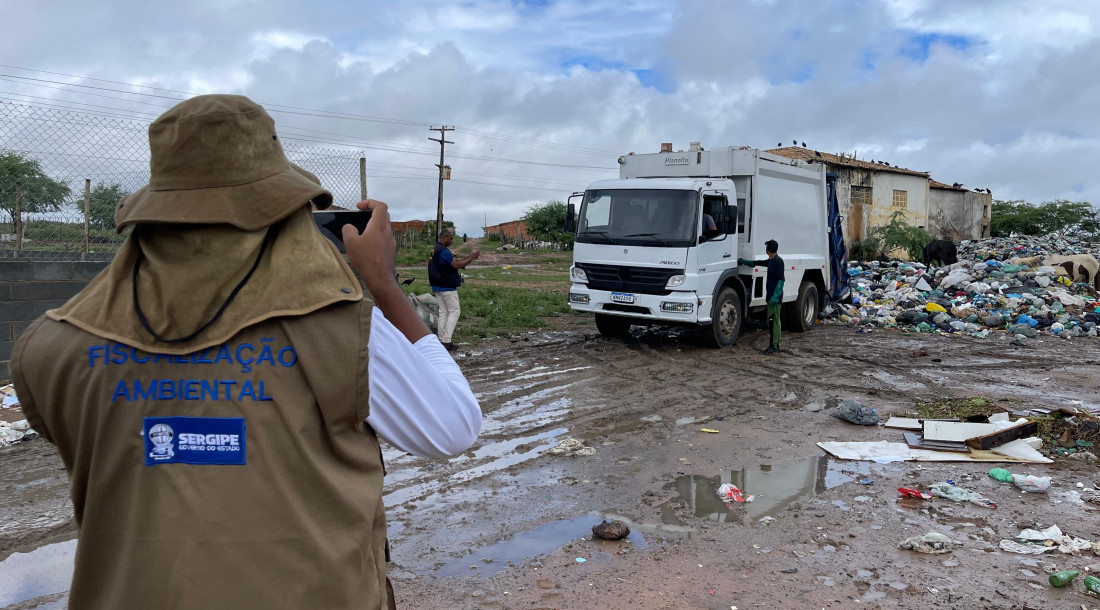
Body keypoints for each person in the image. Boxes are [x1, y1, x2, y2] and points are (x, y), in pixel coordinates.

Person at [10, 94, 482, 610]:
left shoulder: (54, 344)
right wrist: (384, 284)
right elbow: (452, 428)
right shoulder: (345, 329)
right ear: (283, 213)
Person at [429, 229, 479, 350]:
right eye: (450, 238)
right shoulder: (444, 251)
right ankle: (446, 340)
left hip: (437, 285)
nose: (452, 241)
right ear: (444, 237)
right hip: (447, 286)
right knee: (455, 312)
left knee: (444, 312)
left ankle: (442, 339)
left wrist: (469, 257)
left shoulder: (435, 249)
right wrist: (472, 257)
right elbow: (457, 265)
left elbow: (455, 262)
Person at [762, 239, 785, 354]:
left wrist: (775, 296)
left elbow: (781, 279)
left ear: (768, 249)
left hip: (774, 299)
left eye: (766, 247)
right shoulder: (771, 261)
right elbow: (759, 263)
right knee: (772, 321)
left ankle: (774, 346)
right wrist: (746, 262)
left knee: (774, 321)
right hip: (770, 297)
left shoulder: (778, 261)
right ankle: (774, 345)